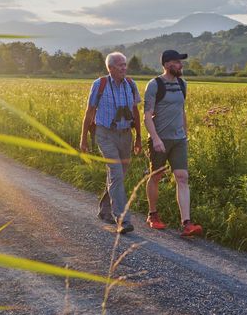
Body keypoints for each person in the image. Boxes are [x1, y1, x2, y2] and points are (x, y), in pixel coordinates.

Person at [80, 52, 142, 234]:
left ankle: (105, 209)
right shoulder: (100, 85)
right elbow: (89, 112)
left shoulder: (130, 84)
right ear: (111, 68)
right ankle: (123, 219)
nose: (124, 68)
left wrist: (138, 137)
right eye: (120, 65)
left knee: (119, 175)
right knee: (116, 174)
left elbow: (135, 111)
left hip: (125, 135)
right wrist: (83, 138)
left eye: (125, 64)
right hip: (105, 134)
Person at [144, 49, 203, 237]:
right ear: (168, 64)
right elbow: (146, 116)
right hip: (159, 139)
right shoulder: (154, 85)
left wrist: (185, 135)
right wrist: (155, 139)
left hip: (178, 140)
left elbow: (182, 111)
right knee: (156, 177)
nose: (181, 65)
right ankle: (153, 215)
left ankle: (186, 223)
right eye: (178, 62)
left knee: (182, 177)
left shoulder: (182, 84)